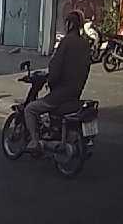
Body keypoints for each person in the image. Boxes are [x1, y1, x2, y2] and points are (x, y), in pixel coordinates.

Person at [25, 10, 92, 152]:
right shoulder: (85, 44)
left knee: (31, 109)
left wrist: (50, 81)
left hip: (61, 92)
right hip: (76, 91)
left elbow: (55, 66)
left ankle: (35, 141)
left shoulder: (66, 42)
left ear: (69, 24)